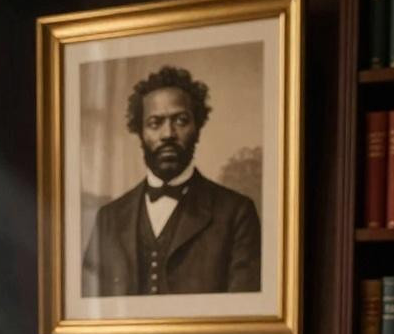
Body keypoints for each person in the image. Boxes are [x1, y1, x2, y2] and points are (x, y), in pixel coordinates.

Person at [82, 65, 261, 297]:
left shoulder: (236, 213)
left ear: (197, 128)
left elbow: (245, 314)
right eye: (155, 123)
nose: (168, 134)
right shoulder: (108, 219)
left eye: (180, 120)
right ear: (140, 132)